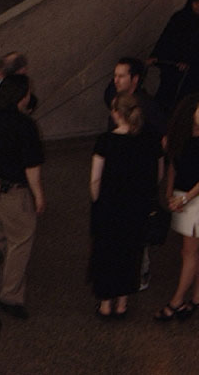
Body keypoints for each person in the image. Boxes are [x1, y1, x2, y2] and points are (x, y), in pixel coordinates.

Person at [89, 93, 162, 317]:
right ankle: (122, 303)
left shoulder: (106, 141)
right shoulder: (150, 140)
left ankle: (105, 304)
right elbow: (158, 174)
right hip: (136, 206)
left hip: (110, 206)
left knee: (106, 253)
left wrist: (97, 200)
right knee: (130, 253)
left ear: (116, 114)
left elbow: (95, 180)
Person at [0, 73, 45, 319]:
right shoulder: (26, 126)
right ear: (21, 96)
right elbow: (32, 167)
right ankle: (10, 296)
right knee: (20, 240)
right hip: (13, 192)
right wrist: (39, 196)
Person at [154, 92, 199, 320]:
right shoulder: (179, 136)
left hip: (194, 198)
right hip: (184, 196)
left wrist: (185, 198)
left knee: (189, 252)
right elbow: (173, 165)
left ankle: (176, 301)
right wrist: (171, 193)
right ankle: (196, 298)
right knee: (192, 250)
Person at [148, 0, 199, 112]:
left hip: (192, 73)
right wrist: (155, 56)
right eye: (196, 3)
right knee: (165, 95)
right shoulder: (179, 18)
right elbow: (166, 37)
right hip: (172, 66)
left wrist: (188, 62)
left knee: (184, 101)